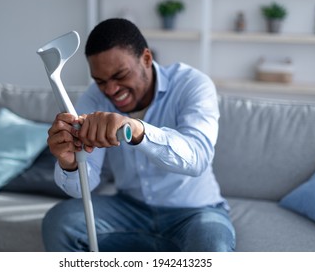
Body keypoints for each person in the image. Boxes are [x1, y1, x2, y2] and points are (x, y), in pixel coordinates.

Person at [42, 18, 236, 252]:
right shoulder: (94, 98)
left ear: (146, 58)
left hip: (196, 211)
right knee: (60, 222)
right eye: (101, 81)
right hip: (129, 209)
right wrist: (71, 163)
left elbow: (198, 158)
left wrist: (137, 130)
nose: (111, 90)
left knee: (212, 246)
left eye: (120, 75)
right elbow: (82, 187)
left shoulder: (192, 84)